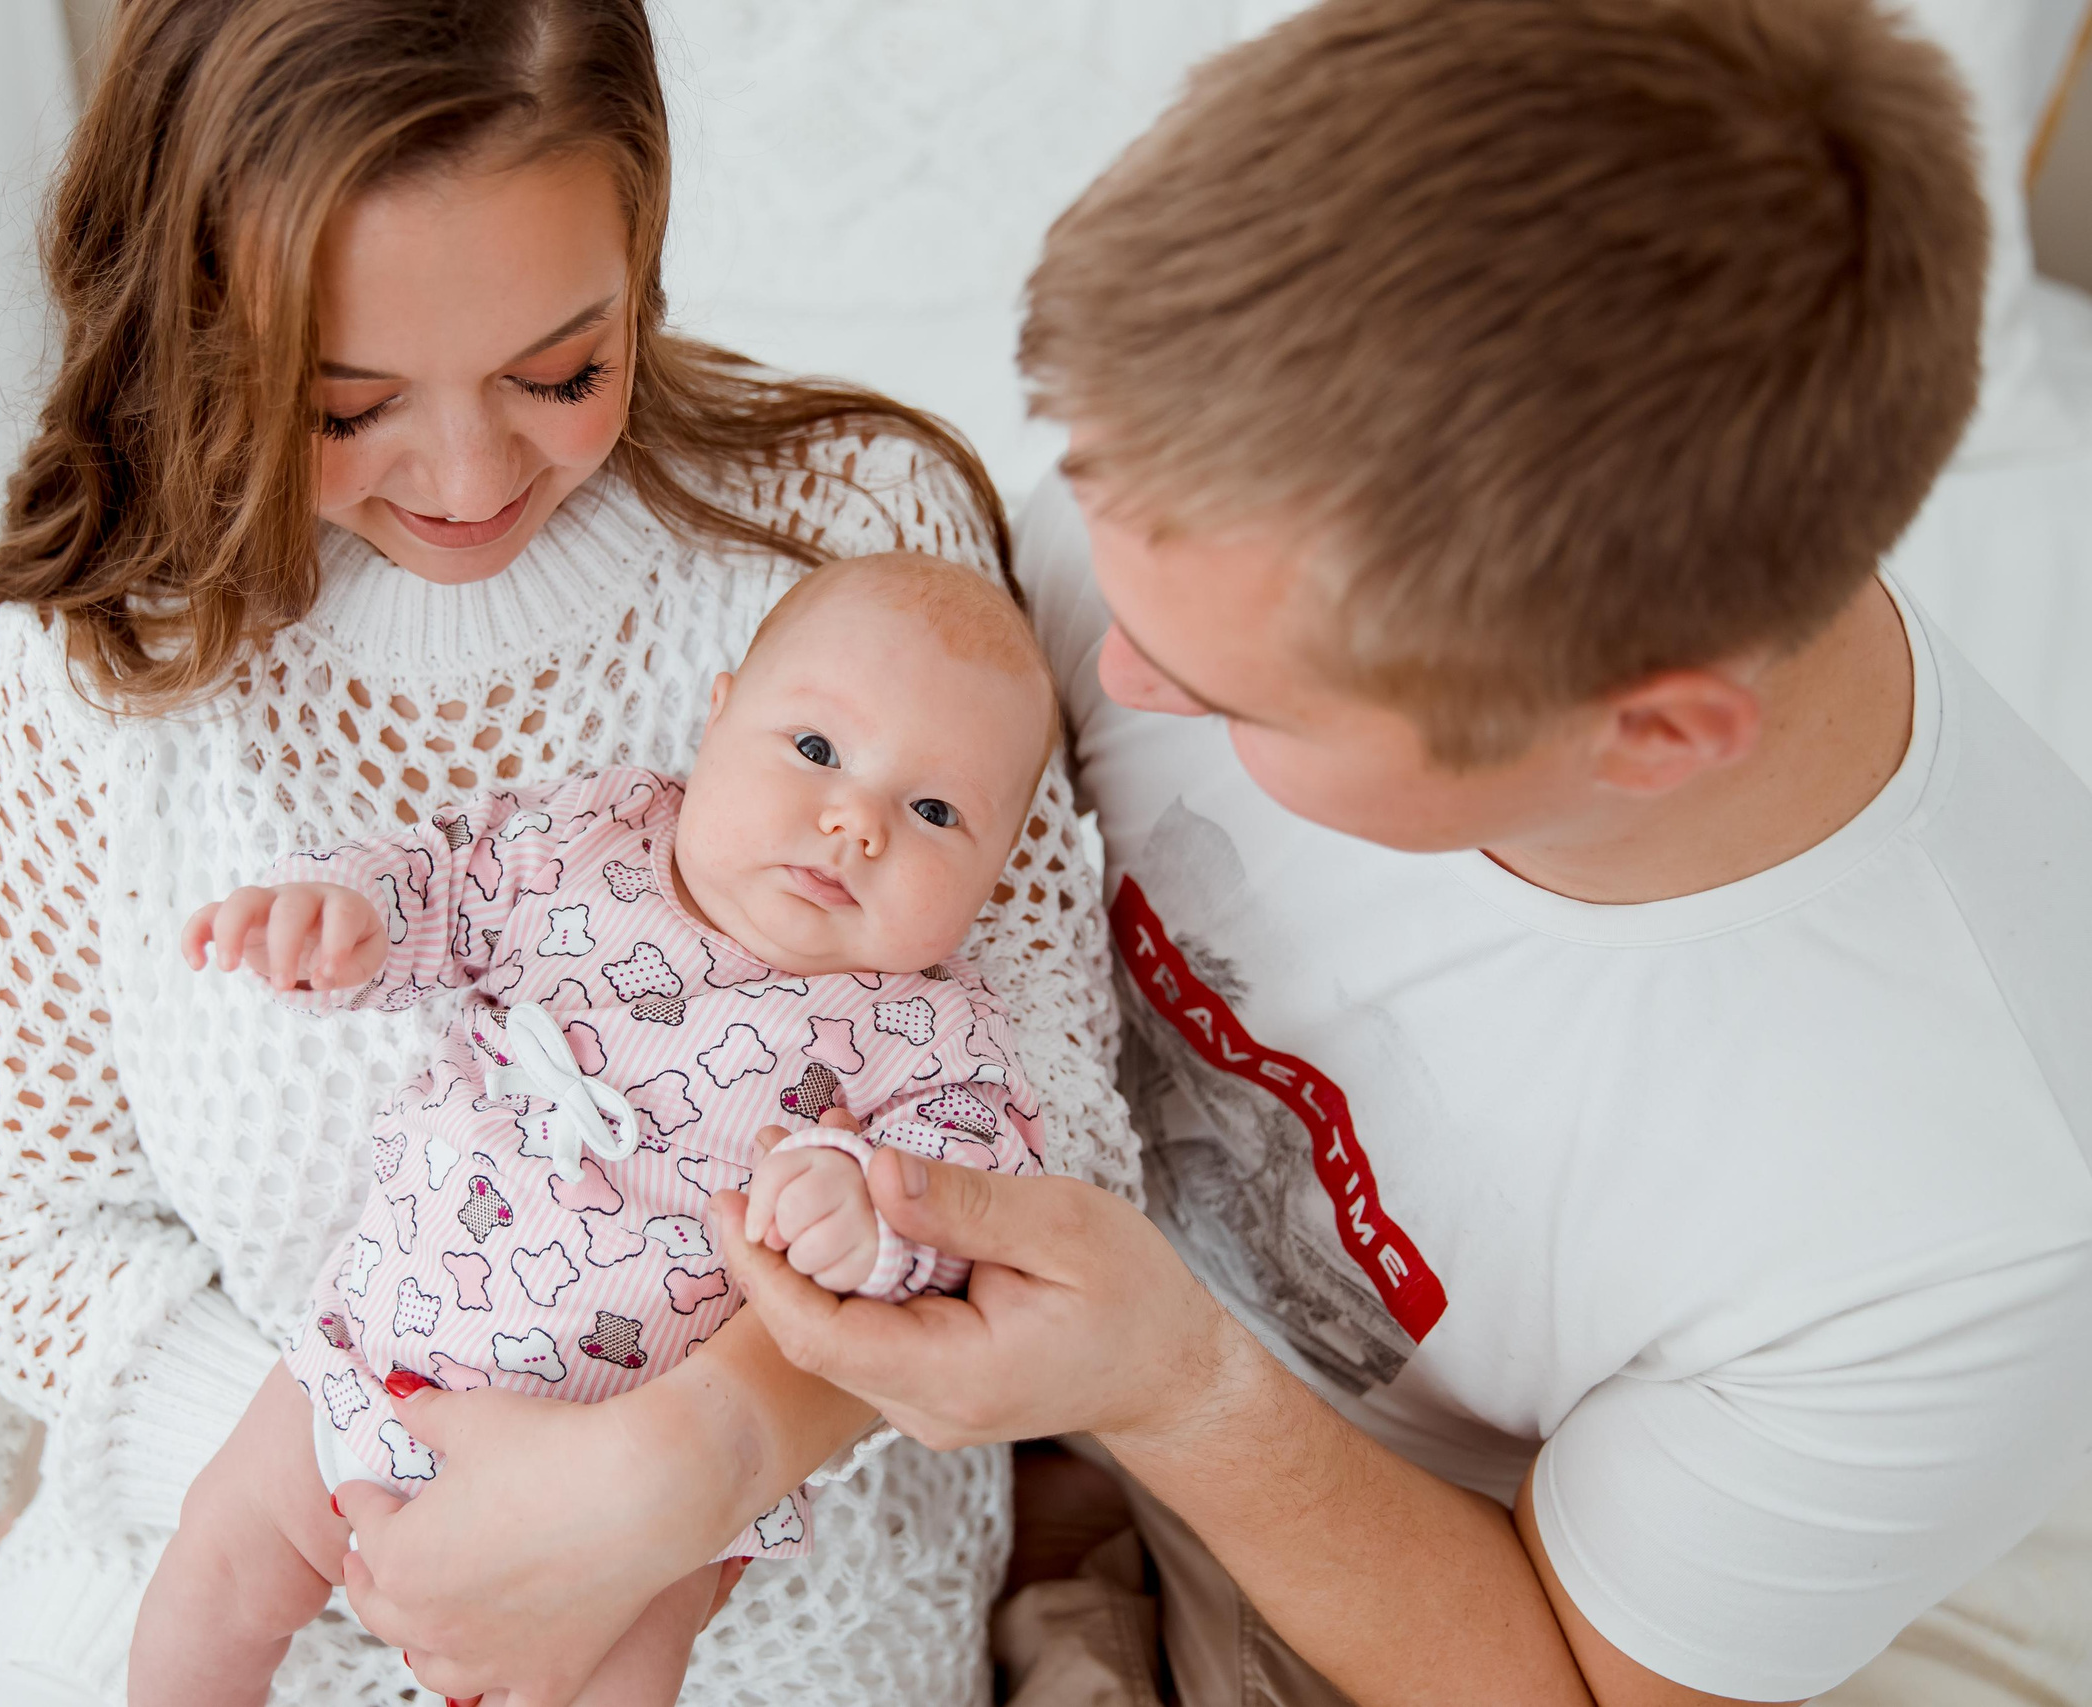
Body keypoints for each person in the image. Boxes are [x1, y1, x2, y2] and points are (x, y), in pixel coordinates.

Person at [715, 1, 2092, 1704]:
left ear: (1650, 732)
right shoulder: (1240, 478)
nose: (1111, 669)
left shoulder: (1946, 1223)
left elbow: (1571, 1687)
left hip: (1377, 1568)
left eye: (1232, 695)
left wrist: (1171, 1387)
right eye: (1095, 510)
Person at [0, 2, 1139, 1703]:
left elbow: (1056, 1169)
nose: (473, 477)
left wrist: (699, 1454)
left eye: (564, 370)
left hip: (760, 1577)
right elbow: (13, 1227)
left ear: (643, 245)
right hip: (252, 1488)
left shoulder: (855, 555)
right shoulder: (102, 676)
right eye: (346, 407)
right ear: (201, 325)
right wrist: (356, 1489)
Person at [133, 555, 1058, 1706]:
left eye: (933, 811)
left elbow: (988, 1207)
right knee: (210, 1575)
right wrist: (347, 915)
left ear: (997, 869)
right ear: (717, 717)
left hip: (633, 1510)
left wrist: (873, 1224)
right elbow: (443, 878)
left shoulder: (930, 1030)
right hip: (365, 1366)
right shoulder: (593, 836)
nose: (851, 823)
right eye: (816, 751)